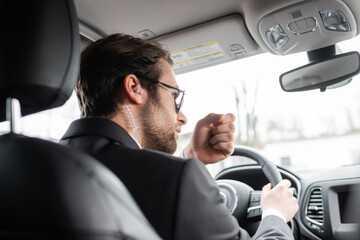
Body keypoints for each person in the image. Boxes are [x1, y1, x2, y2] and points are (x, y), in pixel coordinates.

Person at [60, 33, 298, 240]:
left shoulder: (45, 164)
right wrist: (275, 214)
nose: (183, 117)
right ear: (134, 88)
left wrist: (189, 157)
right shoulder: (178, 178)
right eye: (175, 98)